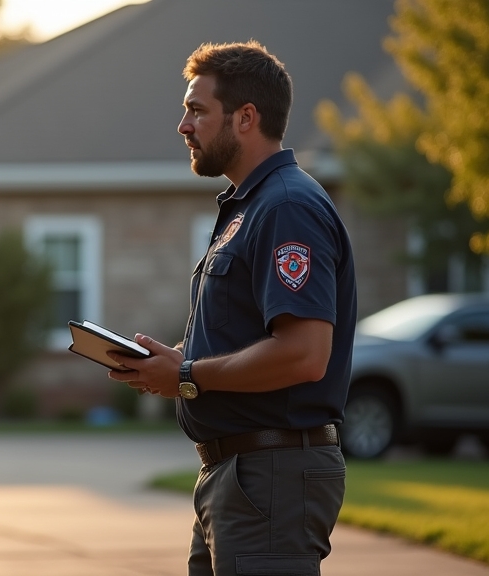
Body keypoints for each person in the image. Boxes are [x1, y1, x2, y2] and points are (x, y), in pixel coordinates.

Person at [107, 41, 357, 576]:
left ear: (246, 118)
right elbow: (250, 334)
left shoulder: (287, 207)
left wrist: (189, 374)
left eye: (197, 110)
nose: (183, 126)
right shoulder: (253, 207)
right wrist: (170, 361)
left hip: (271, 476)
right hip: (242, 475)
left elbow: (305, 354)